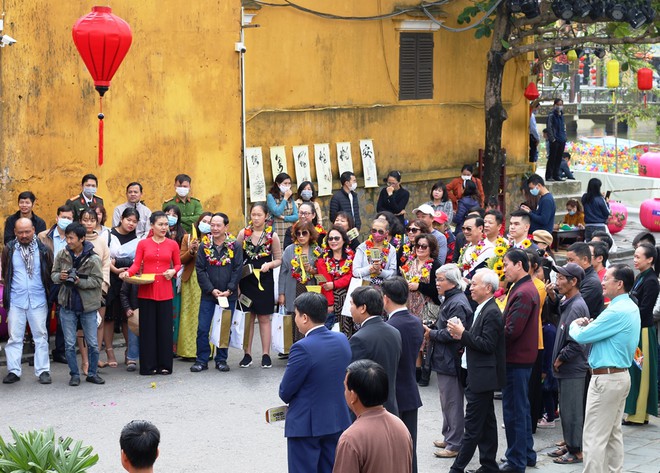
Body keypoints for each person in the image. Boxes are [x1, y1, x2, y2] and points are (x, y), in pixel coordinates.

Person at [569, 264, 640, 472]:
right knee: (612, 434)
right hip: (619, 376)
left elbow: (582, 336)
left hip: (606, 379)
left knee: (593, 436)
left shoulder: (616, 310)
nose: (602, 281)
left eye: (607, 278)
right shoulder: (629, 307)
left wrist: (576, 324)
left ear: (619, 284)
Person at [279, 292, 352, 473]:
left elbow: (285, 391)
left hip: (307, 424)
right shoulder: (341, 339)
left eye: (296, 314)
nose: (295, 319)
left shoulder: (302, 347)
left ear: (305, 317)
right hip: (337, 418)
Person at [445, 268, 505, 473]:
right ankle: (489, 465)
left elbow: (488, 345)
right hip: (475, 373)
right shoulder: (481, 307)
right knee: (487, 422)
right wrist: (461, 334)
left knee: (472, 426)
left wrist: (463, 334)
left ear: (488, 288)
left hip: (482, 376)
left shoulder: (492, 311)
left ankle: (457, 468)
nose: (471, 287)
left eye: (475, 284)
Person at [120, 211, 182, 376]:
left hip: (165, 290)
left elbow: (178, 265)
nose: (164, 228)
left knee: (164, 330)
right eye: (160, 224)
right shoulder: (143, 244)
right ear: (152, 226)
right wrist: (128, 274)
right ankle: (148, 366)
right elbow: (135, 265)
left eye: (166, 224)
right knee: (147, 330)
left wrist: (172, 271)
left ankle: (165, 365)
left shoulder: (172, 244)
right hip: (146, 290)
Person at [424, 263, 472, 459]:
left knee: (452, 401)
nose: (437, 283)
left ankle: (455, 443)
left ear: (452, 282)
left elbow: (454, 333)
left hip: (451, 359)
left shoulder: (458, 302)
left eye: (440, 279)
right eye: (436, 279)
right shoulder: (451, 299)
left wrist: (432, 333)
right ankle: (449, 436)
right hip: (444, 358)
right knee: (446, 400)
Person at [333, 359, 413, 473]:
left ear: (353, 396)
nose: (344, 392)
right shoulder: (400, 426)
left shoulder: (351, 438)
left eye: (345, 387)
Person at [499, 248, 539, 472]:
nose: (504, 269)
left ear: (520, 265)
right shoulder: (521, 287)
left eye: (506, 265)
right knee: (521, 408)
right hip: (521, 358)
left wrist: (493, 337)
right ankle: (527, 453)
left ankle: (516, 461)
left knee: (514, 411)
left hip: (516, 358)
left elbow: (512, 330)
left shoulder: (524, 291)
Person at [51, 222, 105, 386]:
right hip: (67, 305)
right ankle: (74, 374)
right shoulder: (62, 254)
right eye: (67, 237)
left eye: (71, 238)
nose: (68, 241)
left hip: (87, 306)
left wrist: (79, 281)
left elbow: (97, 281)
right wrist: (59, 277)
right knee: (69, 344)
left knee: (93, 344)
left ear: (81, 238)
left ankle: (92, 373)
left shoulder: (93, 258)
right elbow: (52, 274)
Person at [1, 218, 53, 385]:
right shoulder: (9, 250)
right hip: (16, 299)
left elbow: (50, 273)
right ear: (15, 232)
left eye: (27, 231)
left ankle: (43, 370)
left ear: (33, 230)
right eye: (20, 232)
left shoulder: (43, 249)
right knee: (15, 337)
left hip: (38, 299)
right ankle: (14, 371)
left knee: (41, 336)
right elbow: (5, 273)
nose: (24, 235)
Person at [191, 213, 243, 373]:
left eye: (218, 225)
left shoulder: (235, 245)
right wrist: (211, 289)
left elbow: (237, 268)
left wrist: (229, 289)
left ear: (226, 227)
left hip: (228, 295)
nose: (214, 228)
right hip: (209, 294)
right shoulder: (203, 246)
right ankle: (202, 359)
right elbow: (199, 269)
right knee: (203, 328)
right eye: (212, 225)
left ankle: (221, 359)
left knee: (224, 328)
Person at [548, 263, 589, 465]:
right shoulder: (568, 302)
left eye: (562, 278)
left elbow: (577, 342)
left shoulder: (577, 306)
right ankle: (570, 444)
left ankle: (576, 451)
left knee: (572, 411)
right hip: (565, 369)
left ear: (574, 281)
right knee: (565, 409)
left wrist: (560, 358)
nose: (558, 281)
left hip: (572, 368)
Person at [383, 277, 424, 473]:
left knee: (392, 452)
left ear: (385, 299)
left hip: (394, 395)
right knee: (409, 448)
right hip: (410, 391)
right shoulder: (415, 321)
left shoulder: (390, 327)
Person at [237, 202, 282, 368]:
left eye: (259, 215)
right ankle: (247, 354)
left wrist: (269, 265)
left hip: (264, 280)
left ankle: (265, 354)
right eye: (253, 214)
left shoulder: (272, 236)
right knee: (248, 318)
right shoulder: (243, 234)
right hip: (247, 279)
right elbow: (237, 258)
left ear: (266, 217)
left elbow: (278, 259)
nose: (255, 218)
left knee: (264, 317)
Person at [349, 286, 402, 415]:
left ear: (363, 308)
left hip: (368, 410)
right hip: (390, 406)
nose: (349, 309)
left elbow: (353, 378)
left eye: (351, 304)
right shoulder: (394, 332)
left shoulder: (359, 338)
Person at [624, 243, 659, 425]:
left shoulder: (651, 281)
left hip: (644, 333)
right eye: (635, 256)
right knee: (636, 370)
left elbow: (645, 310)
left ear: (650, 259)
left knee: (640, 370)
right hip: (638, 331)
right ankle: (637, 412)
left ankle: (638, 414)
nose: (634, 260)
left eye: (638, 257)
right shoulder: (641, 277)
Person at [38, 204, 75, 364]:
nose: (65, 220)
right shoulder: (43, 236)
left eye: (69, 218)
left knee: (63, 317)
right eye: (63, 217)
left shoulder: (73, 238)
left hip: (64, 282)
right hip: (46, 281)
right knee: (43, 317)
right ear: (57, 218)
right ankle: (41, 351)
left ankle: (60, 351)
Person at [107, 208, 140, 370]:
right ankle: (110, 352)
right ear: (121, 219)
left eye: (134, 222)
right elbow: (107, 259)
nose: (131, 224)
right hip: (113, 278)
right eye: (129, 220)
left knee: (129, 314)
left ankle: (130, 351)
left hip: (131, 279)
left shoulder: (137, 238)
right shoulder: (109, 235)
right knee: (110, 317)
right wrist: (116, 270)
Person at [279, 221, 323, 342]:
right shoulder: (289, 249)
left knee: (309, 319)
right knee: (293, 319)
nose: (301, 236)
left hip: (309, 289)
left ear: (311, 234)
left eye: (304, 233)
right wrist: (281, 293)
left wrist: (312, 270)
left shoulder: (318, 251)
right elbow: (283, 272)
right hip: (292, 289)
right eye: (298, 234)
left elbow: (322, 273)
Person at [79, 208, 112, 369]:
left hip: (99, 290)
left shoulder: (101, 241)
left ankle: (95, 357)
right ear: (80, 221)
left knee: (98, 324)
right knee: (82, 327)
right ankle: (85, 361)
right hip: (80, 290)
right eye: (85, 220)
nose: (88, 223)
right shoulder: (75, 240)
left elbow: (106, 264)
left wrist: (103, 286)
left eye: (92, 220)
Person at [177, 212, 213, 359]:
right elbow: (181, 259)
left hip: (208, 280)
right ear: (198, 222)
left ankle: (207, 349)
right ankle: (188, 351)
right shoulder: (188, 237)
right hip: (191, 280)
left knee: (205, 314)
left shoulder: (214, 239)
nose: (207, 224)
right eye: (204, 221)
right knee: (189, 314)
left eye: (210, 222)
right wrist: (191, 251)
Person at [316, 227, 355, 337]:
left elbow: (351, 276)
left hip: (349, 300)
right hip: (332, 301)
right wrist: (330, 304)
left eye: (337, 238)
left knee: (348, 331)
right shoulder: (322, 259)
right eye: (330, 238)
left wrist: (334, 284)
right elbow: (324, 283)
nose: (333, 241)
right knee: (332, 332)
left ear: (343, 240)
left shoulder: (351, 256)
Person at [163, 204, 187, 352]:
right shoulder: (156, 233)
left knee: (176, 310)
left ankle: (175, 344)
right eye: (168, 213)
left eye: (174, 214)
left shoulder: (183, 234)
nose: (170, 217)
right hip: (161, 275)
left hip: (176, 275)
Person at [562, 242, 604, 320]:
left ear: (585, 260)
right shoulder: (576, 276)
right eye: (567, 260)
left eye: (571, 260)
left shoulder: (592, 283)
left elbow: (570, 305)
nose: (568, 264)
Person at [353, 218, 397, 285]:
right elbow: (355, 272)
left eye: (380, 232)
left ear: (386, 233)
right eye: (374, 230)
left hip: (384, 288)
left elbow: (393, 273)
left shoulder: (391, 249)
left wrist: (380, 272)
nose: (376, 234)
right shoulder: (362, 247)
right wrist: (370, 269)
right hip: (364, 287)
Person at [456, 216, 495, 281]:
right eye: (463, 228)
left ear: (480, 228)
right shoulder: (467, 246)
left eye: (469, 229)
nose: (465, 231)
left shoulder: (489, 249)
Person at [267, 172, 299, 241]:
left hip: (289, 229)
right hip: (277, 229)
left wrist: (284, 217)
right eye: (285, 183)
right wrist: (285, 198)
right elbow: (277, 212)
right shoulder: (271, 197)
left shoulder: (290, 197)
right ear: (278, 184)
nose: (287, 185)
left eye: (289, 183)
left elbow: (296, 216)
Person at [546, 98, 567, 182]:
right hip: (555, 140)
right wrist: (553, 139)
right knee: (552, 158)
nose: (559, 106)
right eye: (557, 104)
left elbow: (564, 127)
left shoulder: (562, 115)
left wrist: (565, 137)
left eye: (560, 104)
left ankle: (556, 175)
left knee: (559, 158)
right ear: (554, 105)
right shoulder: (551, 115)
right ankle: (549, 175)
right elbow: (549, 127)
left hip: (562, 139)